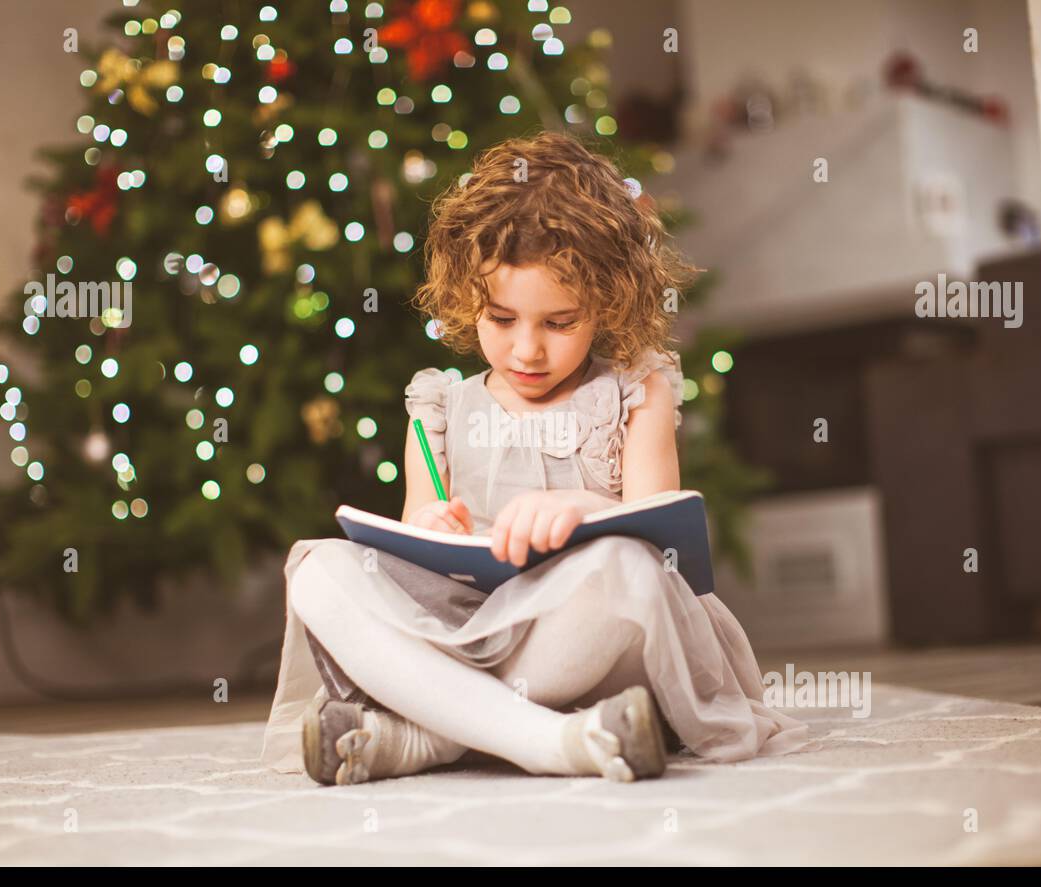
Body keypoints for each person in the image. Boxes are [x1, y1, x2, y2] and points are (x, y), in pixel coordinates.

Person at [261, 130, 814, 786]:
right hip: (471, 631)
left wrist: (581, 509)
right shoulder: (437, 410)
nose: (527, 350)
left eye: (559, 323)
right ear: (470, 301)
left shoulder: (639, 390)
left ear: (608, 301)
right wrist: (433, 527)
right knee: (319, 571)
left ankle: (432, 734)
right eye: (501, 320)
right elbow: (414, 551)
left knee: (625, 567)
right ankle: (549, 740)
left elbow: (664, 551)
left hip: (591, 637)